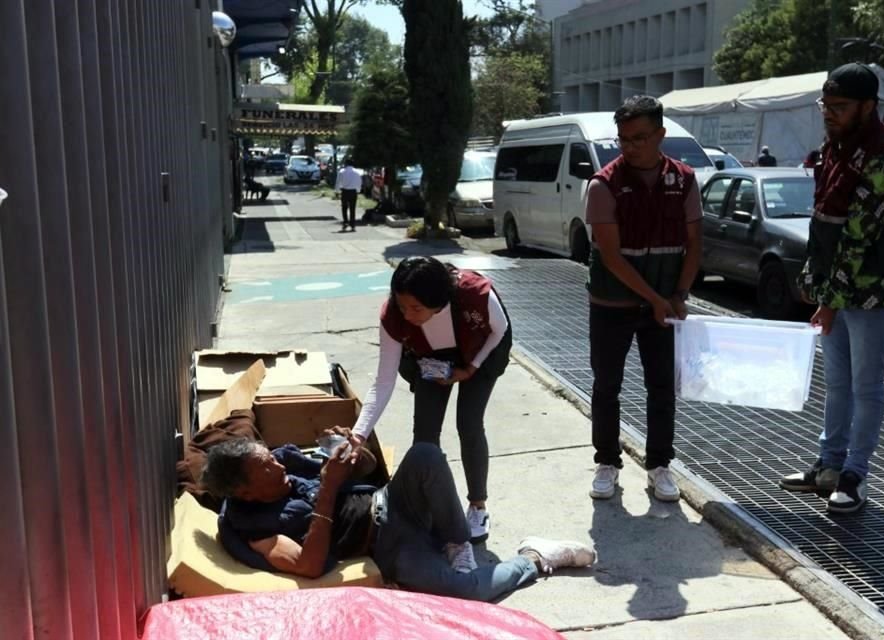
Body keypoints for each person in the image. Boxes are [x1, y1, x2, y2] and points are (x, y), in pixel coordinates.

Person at [201, 436, 596, 601]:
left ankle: (457, 542)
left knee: (425, 454)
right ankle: (536, 557)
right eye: (265, 466)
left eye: (269, 455)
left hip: (392, 499)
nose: (276, 462)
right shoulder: (252, 525)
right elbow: (307, 565)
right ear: (245, 491)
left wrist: (356, 453)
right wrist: (327, 488)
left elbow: (370, 474)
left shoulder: (286, 462)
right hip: (389, 545)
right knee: (470, 594)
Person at [780, 63, 884, 514]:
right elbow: (824, 221)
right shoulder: (835, 146)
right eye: (826, 105)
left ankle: (855, 475)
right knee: (836, 383)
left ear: (868, 106)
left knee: (866, 385)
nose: (829, 114)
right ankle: (829, 465)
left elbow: (858, 236)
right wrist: (815, 283)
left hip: (873, 288)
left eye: (839, 107)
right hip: (837, 286)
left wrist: (829, 302)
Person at [584, 95, 703, 503]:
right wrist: (656, 298)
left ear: (661, 135)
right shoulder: (603, 185)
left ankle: (659, 466)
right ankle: (607, 462)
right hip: (611, 305)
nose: (629, 146)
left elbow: (694, 244)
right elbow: (612, 257)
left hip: (664, 307)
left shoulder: (684, 180)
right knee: (607, 385)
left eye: (639, 138)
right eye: (623, 139)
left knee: (661, 388)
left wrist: (680, 294)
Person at [348, 257, 511, 543]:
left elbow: (500, 329)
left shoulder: (474, 293)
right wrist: (358, 434)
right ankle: (429, 509)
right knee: (424, 435)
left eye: (416, 308)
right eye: (402, 305)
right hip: (430, 361)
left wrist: (471, 368)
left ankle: (478, 506)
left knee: (469, 424)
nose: (408, 315)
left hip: (480, 351)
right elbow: (383, 381)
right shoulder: (394, 317)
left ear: (439, 299)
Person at [335, 156, 362, 231]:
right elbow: (359, 182)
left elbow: (338, 182)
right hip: (353, 191)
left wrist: (337, 192)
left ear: (346, 164)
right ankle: (353, 224)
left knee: (344, 207)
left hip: (345, 191)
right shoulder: (357, 172)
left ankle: (345, 222)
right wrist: (358, 191)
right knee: (352, 208)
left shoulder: (341, 171)